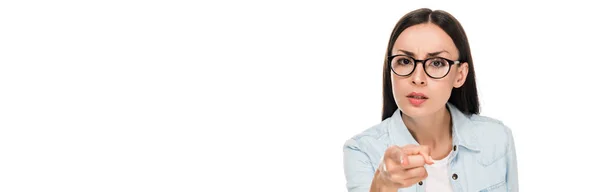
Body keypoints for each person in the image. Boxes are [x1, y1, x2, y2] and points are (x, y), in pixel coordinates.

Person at [342, 8, 518, 192]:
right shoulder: (361, 150)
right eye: (404, 61)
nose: (417, 78)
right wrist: (382, 185)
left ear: (460, 75)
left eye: (437, 63)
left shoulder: (497, 138)